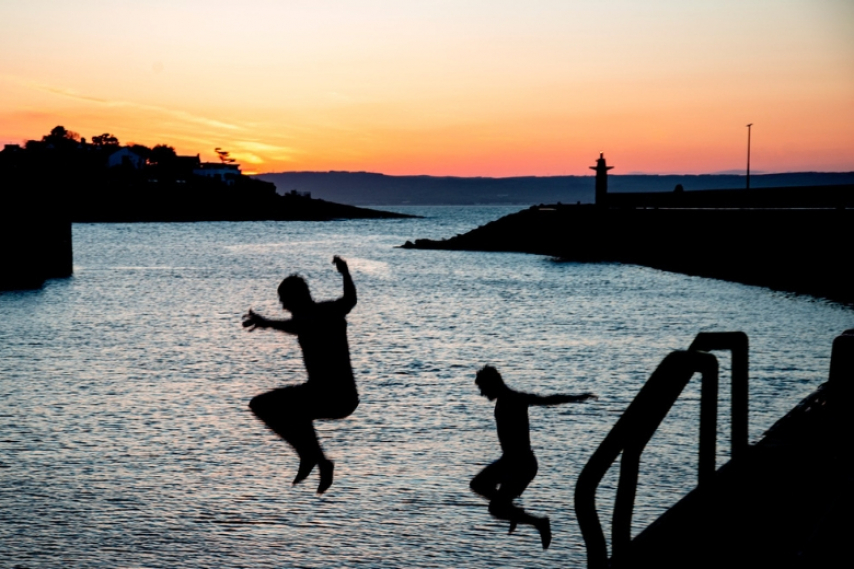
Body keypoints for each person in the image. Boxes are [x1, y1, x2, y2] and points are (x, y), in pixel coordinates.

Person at [243, 256, 358, 494]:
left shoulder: (325, 314)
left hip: (337, 396)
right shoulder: (325, 312)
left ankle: (313, 457)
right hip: (323, 393)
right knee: (264, 405)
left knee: (279, 406)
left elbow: (306, 324)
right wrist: (345, 274)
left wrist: (267, 322)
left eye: (285, 301)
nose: (284, 307)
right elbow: (348, 300)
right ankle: (314, 459)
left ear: (297, 299)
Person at [470, 365, 597, 549]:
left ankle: (538, 523)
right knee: (478, 485)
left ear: (493, 384)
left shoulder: (516, 399)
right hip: (508, 462)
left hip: (523, 465)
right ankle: (512, 511)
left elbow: (548, 400)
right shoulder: (506, 399)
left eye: (483, 388)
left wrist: (578, 397)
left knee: (496, 508)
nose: (482, 394)